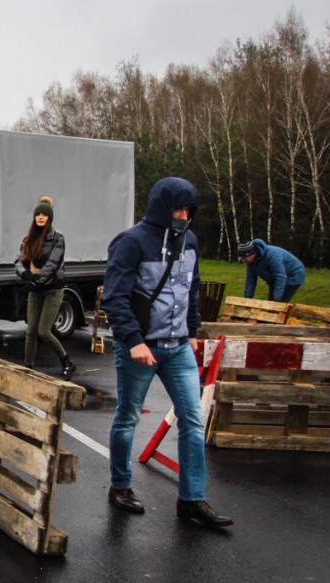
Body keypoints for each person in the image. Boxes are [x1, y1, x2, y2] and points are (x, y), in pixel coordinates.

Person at [101, 177, 232, 529]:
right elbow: (113, 298)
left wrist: (191, 331)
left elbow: (192, 286)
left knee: (193, 420)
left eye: (190, 210)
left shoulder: (190, 241)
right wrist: (134, 341)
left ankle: (191, 499)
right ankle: (120, 486)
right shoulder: (131, 242)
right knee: (128, 416)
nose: (184, 215)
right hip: (141, 348)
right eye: (178, 208)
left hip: (178, 349)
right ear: (161, 206)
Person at [14, 197, 76, 380]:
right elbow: (19, 261)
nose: (41, 217)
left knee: (44, 331)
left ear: (50, 218)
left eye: (44, 215)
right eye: (38, 214)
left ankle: (67, 362)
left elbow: (52, 264)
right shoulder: (29, 238)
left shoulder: (58, 238)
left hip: (53, 289)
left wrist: (37, 279)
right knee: (31, 331)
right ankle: (28, 367)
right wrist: (26, 275)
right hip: (36, 289)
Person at [238, 239, 305, 303]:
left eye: (244, 258)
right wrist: (247, 298)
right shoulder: (251, 262)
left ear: (253, 254)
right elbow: (250, 279)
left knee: (277, 305)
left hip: (293, 274)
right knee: (270, 304)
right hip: (275, 277)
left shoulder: (272, 256)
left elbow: (280, 277)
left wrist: (276, 299)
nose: (243, 260)